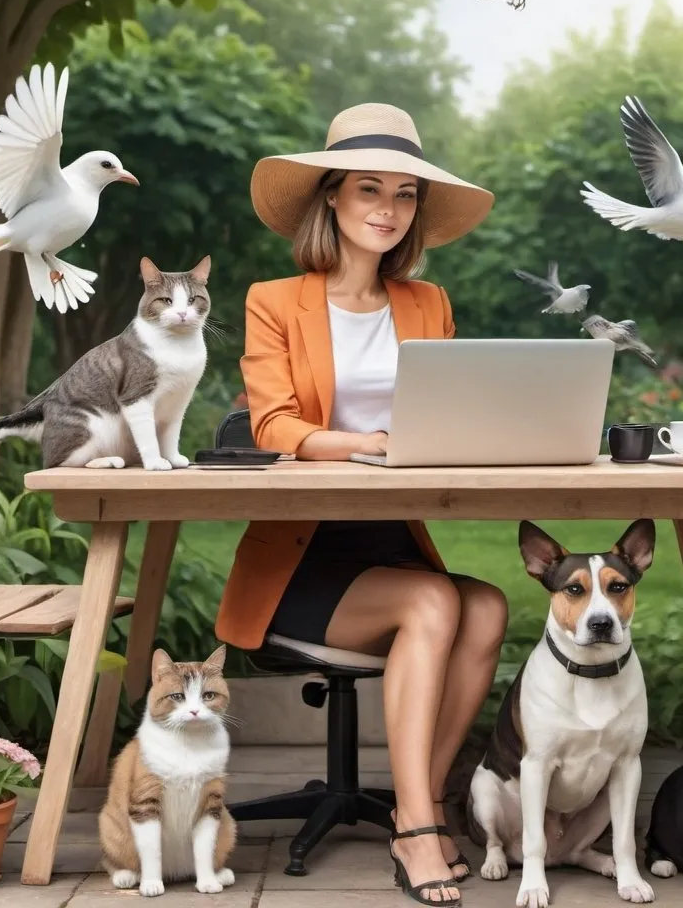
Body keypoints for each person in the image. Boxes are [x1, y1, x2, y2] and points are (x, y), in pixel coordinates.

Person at [215, 104, 508, 906]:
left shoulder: (428, 302)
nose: (387, 207)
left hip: (392, 536)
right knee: (430, 598)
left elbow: (444, 415)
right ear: (332, 200)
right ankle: (416, 826)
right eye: (368, 188)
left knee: (483, 608)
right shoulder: (275, 301)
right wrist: (376, 441)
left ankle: (430, 798)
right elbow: (273, 426)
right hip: (303, 553)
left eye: (406, 193)